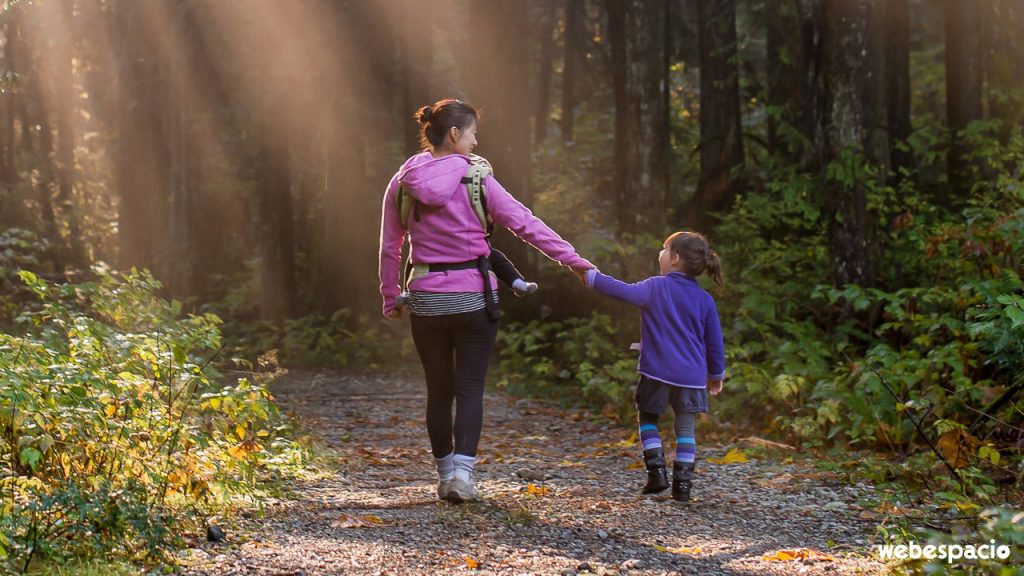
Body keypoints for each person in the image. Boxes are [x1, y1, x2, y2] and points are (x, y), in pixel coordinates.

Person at [379, 98, 593, 503]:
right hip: (474, 298)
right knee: (470, 389)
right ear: (456, 134)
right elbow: (526, 224)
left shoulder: (403, 180)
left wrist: (392, 296)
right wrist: (574, 261)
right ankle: (463, 476)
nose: (476, 143)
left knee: (438, 391)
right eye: (473, 133)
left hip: (425, 299)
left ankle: (444, 478)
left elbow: (391, 247)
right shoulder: (477, 178)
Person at [578, 231, 725, 502]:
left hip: (657, 371)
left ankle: (656, 473)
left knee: (647, 418)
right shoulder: (705, 300)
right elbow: (714, 342)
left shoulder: (656, 287)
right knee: (686, 429)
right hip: (691, 377)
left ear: (675, 259)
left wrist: (590, 276)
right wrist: (716, 375)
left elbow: (621, 290)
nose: (660, 253)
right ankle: (683, 487)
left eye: (663, 249)